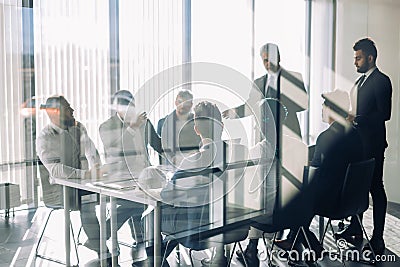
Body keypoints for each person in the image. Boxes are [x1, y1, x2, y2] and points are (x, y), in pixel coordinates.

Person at [227, 43, 308, 265]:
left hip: (290, 139)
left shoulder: (294, 77)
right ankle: (272, 232)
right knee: (267, 184)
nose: (266, 63)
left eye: (269, 59)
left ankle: (285, 232)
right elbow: (250, 106)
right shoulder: (259, 83)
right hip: (268, 140)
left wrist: (280, 105)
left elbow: (304, 104)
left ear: (279, 57)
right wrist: (233, 113)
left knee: (290, 186)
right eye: (263, 59)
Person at [157, 101, 248, 267]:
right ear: (221, 126)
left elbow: (166, 195)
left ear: (196, 129)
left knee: (151, 217)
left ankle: (154, 261)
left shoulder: (193, 161)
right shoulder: (241, 153)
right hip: (236, 226)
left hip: (200, 232)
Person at [335, 38, 392, 255]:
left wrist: (356, 118)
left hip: (374, 144)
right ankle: (355, 228)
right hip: (358, 144)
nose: (355, 62)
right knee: (358, 188)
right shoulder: (359, 83)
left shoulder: (382, 80)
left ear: (370, 58)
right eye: (354, 58)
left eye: (358, 58)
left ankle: (378, 238)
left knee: (375, 188)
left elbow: (384, 114)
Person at [36, 96, 110, 263]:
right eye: (68, 108)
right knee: (88, 205)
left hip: (81, 183)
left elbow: (92, 151)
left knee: (112, 198)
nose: (73, 111)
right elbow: (55, 170)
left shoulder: (78, 127)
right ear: (55, 113)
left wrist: (96, 169)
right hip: (59, 189)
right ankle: (103, 252)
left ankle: (98, 241)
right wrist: (86, 175)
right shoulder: (45, 137)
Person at [99, 90, 163, 263]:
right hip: (119, 177)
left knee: (158, 201)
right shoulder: (106, 126)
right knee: (134, 204)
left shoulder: (143, 122)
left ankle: (146, 241)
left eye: (131, 106)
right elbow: (116, 150)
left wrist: (180, 149)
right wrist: (132, 127)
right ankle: (103, 234)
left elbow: (159, 145)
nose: (130, 110)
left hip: (144, 176)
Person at [157, 90, 201, 166]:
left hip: (194, 162)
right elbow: (162, 148)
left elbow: (202, 143)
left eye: (186, 102)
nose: (182, 105)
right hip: (171, 164)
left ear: (191, 104)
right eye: (180, 102)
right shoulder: (163, 123)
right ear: (175, 103)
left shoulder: (198, 121)